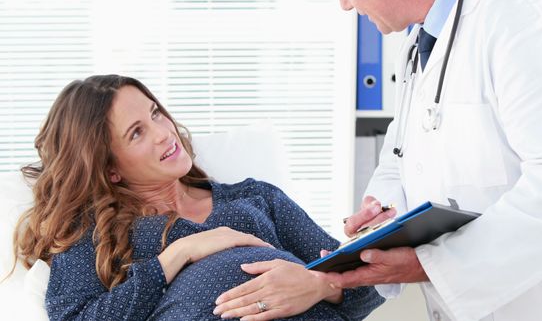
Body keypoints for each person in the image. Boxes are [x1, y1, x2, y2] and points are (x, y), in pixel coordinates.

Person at [327, 0, 542, 320]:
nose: (345, 4)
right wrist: (383, 218)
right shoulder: (422, 42)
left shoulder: (523, 22)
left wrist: (431, 265)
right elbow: (398, 160)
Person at [10, 74, 384, 321]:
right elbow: (77, 317)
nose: (163, 132)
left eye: (156, 114)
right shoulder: (96, 230)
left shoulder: (257, 197)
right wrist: (179, 254)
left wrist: (320, 285)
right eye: (137, 133)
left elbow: (368, 285)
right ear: (111, 169)